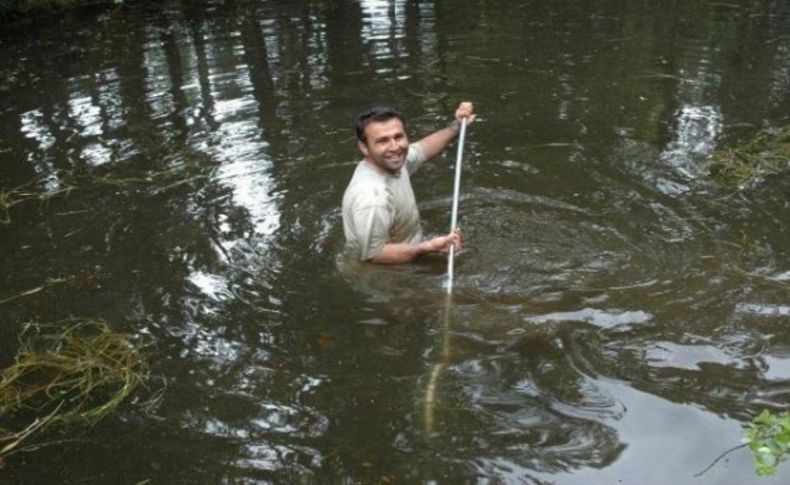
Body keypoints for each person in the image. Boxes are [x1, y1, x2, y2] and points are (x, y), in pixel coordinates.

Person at [342, 101, 476, 264]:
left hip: (408, 255)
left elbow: (422, 150)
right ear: (364, 148)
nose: (395, 147)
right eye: (382, 141)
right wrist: (427, 247)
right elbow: (374, 255)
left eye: (398, 137)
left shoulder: (391, 161)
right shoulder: (372, 199)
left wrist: (458, 126)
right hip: (383, 274)